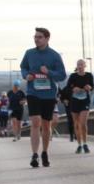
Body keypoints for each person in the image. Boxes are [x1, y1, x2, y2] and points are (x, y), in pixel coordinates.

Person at [20, 27, 67, 168]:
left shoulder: (54, 56)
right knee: (35, 122)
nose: (36, 39)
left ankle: (45, 152)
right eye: (35, 37)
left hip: (49, 94)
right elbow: (23, 67)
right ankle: (34, 154)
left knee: (46, 125)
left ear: (47, 39)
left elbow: (62, 75)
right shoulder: (29, 53)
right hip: (33, 92)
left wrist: (49, 72)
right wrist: (26, 75)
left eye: (39, 37)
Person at [61, 59, 94, 153]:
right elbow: (68, 87)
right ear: (77, 66)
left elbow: (92, 86)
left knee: (83, 123)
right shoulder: (73, 76)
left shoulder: (89, 75)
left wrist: (89, 87)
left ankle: (85, 144)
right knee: (76, 123)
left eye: (81, 64)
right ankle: (79, 145)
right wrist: (73, 88)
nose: (80, 66)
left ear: (85, 66)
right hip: (74, 101)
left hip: (85, 101)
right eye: (78, 64)